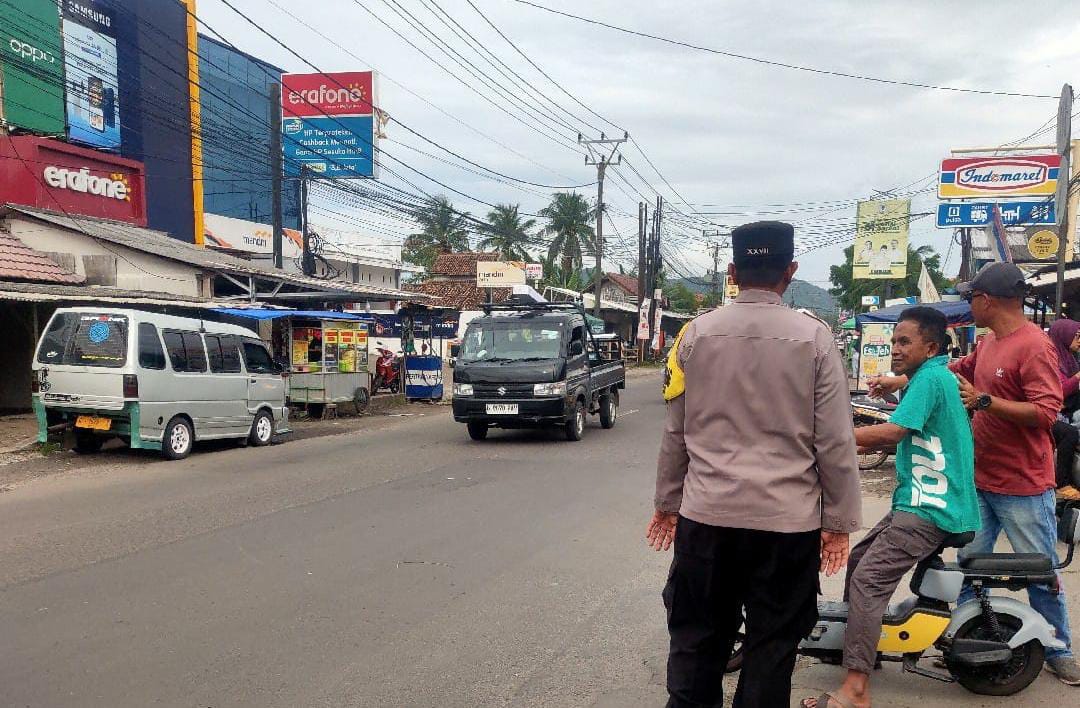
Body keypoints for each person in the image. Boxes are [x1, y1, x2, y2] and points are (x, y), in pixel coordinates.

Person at [648, 221, 862, 707]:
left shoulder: (694, 335)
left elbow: (676, 431)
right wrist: (838, 524)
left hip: (707, 520)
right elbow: (835, 441)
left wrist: (666, 504)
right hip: (786, 528)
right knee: (772, 647)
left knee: (696, 640)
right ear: (790, 271)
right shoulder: (816, 339)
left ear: (732, 271)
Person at [869, 262, 1080, 685]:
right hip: (979, 480)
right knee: (967, 568)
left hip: (1022, 484)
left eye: (971, 297)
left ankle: (1059, 649)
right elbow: (957, 369)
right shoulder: (990, 342)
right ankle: (967, 640)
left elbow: (1046, 412)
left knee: (1038, 572)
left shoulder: (1033, 345)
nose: (969, 304)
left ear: (987, 300)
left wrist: (985, 402)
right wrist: (899, 379)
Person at [801, 307, 979, 708]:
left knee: (869, 580)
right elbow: (900, 436)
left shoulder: (930, 378)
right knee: (858, 559)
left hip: (932, 507)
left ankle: (856, 689)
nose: (895, 349)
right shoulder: (928, 376)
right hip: (919, 501)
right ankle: (859, 649)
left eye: (904, 342)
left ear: (930, 347)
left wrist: (828, 438)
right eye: (894, 341)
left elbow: (894, 432)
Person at [1049, 319, 1080, 496]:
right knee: (1070, 433)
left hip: (1067, 408)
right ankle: (1062, 483)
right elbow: (1059, 390)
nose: (1079, 341)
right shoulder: (1052, 359)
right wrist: (1078, 377)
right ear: (1064, 336)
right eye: (1077, 336)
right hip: (1049, 412)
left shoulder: (1070, 358)